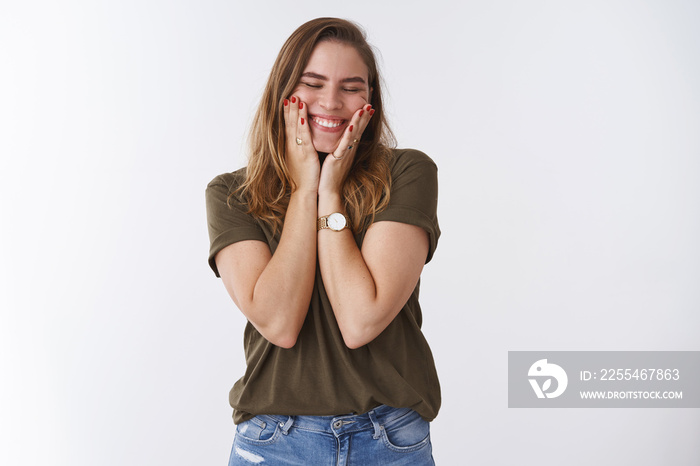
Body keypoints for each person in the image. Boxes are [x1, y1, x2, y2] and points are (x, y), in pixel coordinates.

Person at [205, 17, 441, 465]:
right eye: (312, 83)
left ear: (370, 100)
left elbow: (360, 320)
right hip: (274, 443)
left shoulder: (407, 174)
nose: (331, 101)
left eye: (352, 87)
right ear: (283, 93)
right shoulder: (232, 195)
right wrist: (304, 190)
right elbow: (279, 323)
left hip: (390, 439)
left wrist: (329, 192)